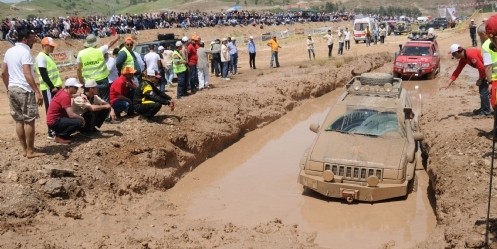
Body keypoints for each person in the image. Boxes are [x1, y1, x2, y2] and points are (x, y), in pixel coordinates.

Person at [1, 29, 44, 157]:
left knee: (18, 120)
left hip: (12, 88)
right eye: (32, 38)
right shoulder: (25, 52)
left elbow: (3, 72)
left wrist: (9, 87)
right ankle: (30, 151)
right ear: (25, 39)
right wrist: (37, 91)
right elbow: (27, 73)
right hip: (24, 89)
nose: (34, 40)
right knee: (29, 120)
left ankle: (25, 150)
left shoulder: (9, 51)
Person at [440, 44, 490, 116]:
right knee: (482, 88)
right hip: (486, 69)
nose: (453, 57)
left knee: (483, 90)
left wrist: (480, 79)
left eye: (453, 55)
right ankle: (483, 108)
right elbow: (457, 71)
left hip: (489, 68)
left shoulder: (470, 54)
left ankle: (486, 111)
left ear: (456, 53)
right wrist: (448, 84)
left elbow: (481, 68)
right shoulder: (463, 59)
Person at [76, 33, 120, 103]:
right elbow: (110, 43)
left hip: (89, 82)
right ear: (95, 43)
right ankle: (106, 113)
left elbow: (78, 69)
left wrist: (81, 80)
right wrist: (117, 37)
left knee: (90, 101)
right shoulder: (100, 50)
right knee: (105, 100)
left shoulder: (81, 54)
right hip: (102, 80)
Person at [35, 37, 63, 140]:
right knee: (51, 110)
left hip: (54, 87)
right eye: (51, 46)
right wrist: (52, 87)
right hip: (49, 88)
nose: (52, 48)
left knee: (56, 108)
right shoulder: (41, 57)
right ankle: (51, 131)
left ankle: (56, 129)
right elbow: (43, 73)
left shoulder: (47, 56)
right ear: (44, 46)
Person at [46, 78, 85, 145]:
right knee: (78, 122)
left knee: (76, 119)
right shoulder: (65, 96)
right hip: (54, 121)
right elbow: (71, 115)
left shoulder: (63, 92)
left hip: (54, 120)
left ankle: (61, 134)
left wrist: (80, 95)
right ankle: (61, 136)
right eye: (75, 87)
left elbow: (71, 95)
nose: (77, 89)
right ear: (69, 87)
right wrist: (82, 118)